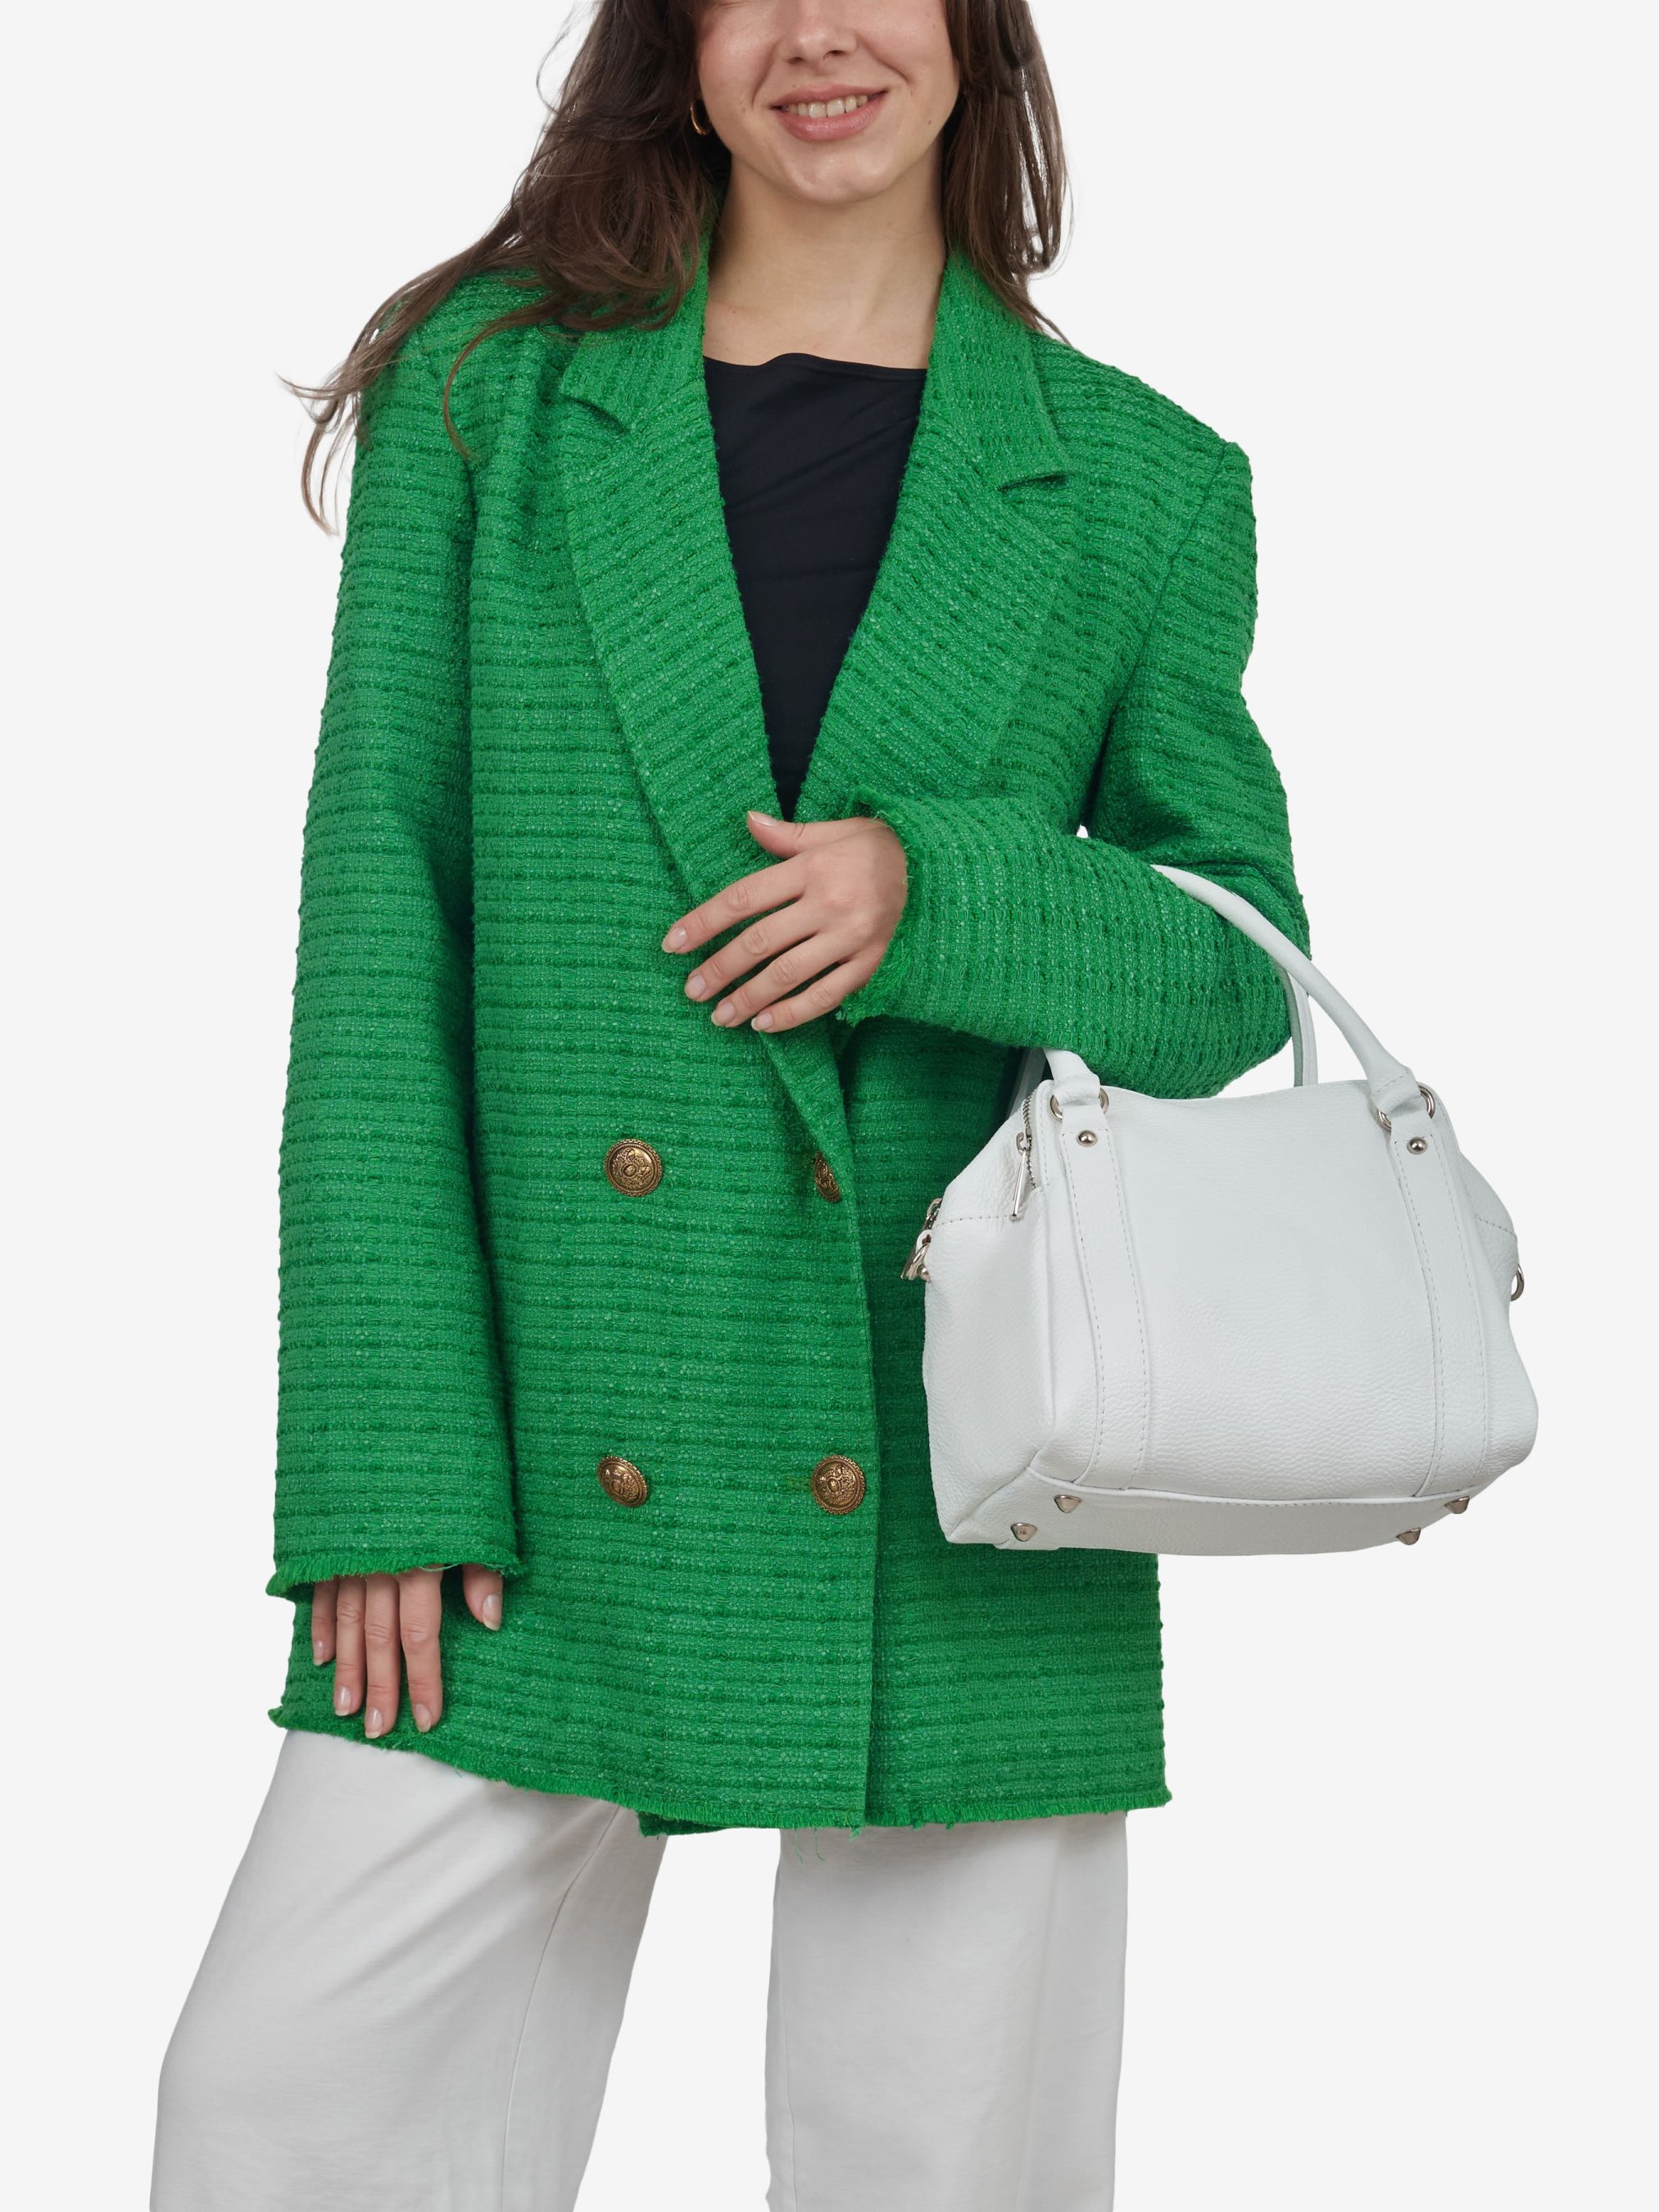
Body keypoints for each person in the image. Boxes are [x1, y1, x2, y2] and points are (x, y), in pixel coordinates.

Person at [152, 2, 1309, 2205]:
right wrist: (386, 1456)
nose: (816, 33)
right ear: (674, 41)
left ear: (973, 32)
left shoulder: (1139, 478)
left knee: (939, 2165)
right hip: (543, 1432)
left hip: (965, 1450)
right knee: (281, 2113)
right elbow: (381, 923)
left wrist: (936, 894)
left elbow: (1233, 962)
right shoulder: (494, 399)